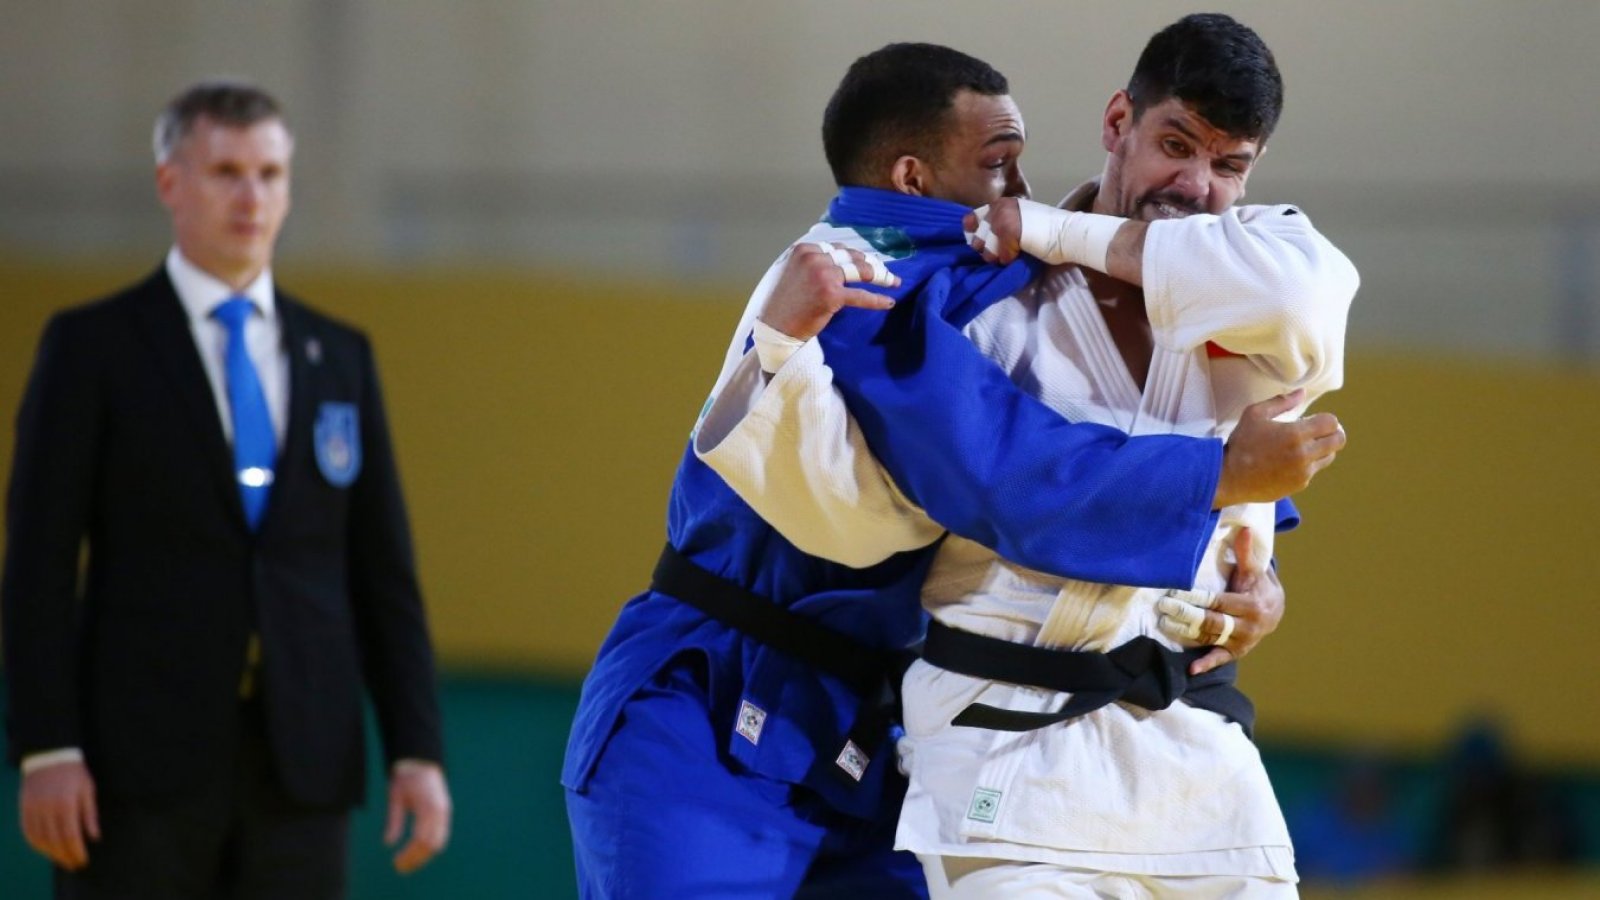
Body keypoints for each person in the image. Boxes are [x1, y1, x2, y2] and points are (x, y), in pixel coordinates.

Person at [563, 42, 1342, 898]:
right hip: (718, 687)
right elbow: (980, 485)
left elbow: (1286, 338)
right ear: (912, 179)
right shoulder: (854, 274)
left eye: (1228, 164)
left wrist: (1253, 567)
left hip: (877, 718)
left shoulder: (1088, 267)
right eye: (1001, 166)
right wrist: (1216, 477)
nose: (1022, 190)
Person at [1, 80, 451, 898]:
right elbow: (37, 563)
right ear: (171, 183)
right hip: (131, 769)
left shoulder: (339, 355)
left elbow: (383, 574)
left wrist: (416, 750)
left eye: (270, 174)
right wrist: (47, 748)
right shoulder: (92, 348)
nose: (252, 196)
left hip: (302, 764)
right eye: (226, 172)